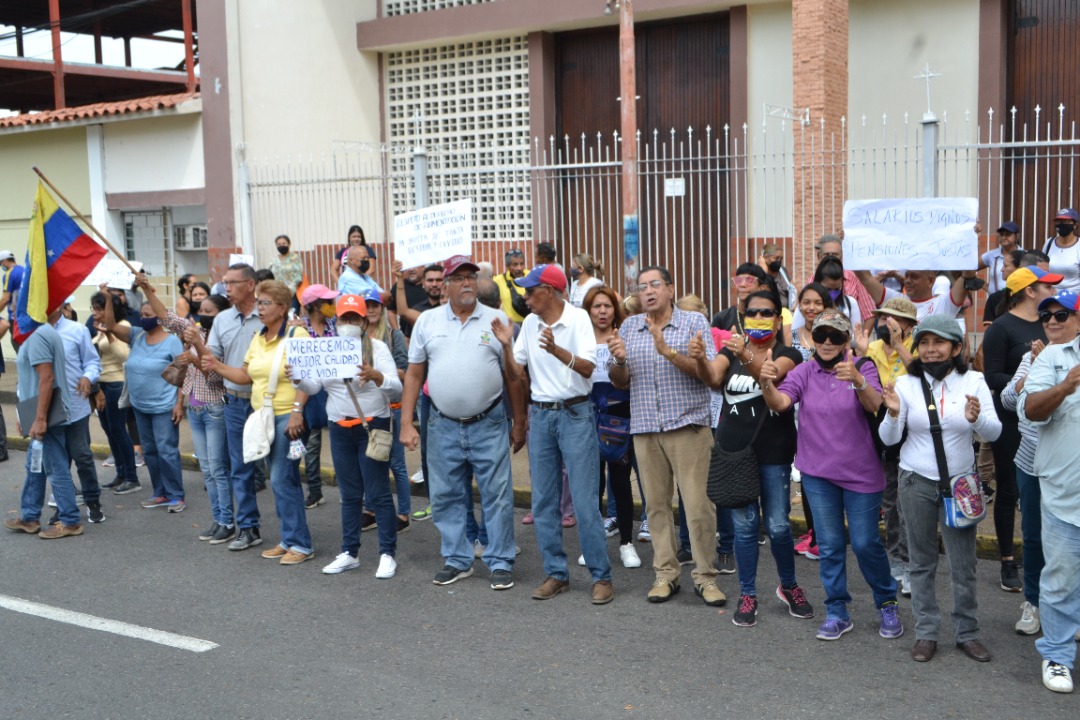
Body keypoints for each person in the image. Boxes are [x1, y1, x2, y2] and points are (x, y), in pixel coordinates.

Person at [760, 310, 901, 642]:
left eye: (835, 336)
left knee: (866, 544)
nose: (826, 342)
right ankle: (837, 610)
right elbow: (780, 402)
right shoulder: (805, 371)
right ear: (812, 337)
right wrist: (766, 383)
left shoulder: (863, 367)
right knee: (831, 545)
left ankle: (887, 602)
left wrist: (858, 380)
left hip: (862, 475)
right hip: (818, 476)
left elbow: (875, 406)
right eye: (820, 335)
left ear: (845, 341)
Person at [879, 314, 1001, 663]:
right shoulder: (905, 385)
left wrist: (977, 419)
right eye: (924, 344)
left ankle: (967, 632)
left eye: (939, 343)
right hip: (915, 480)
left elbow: (995, 433)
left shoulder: (974, 380)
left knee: (964, 564)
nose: (931, 350)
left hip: (961, 483)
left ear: (956, 347)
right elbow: (888, 440)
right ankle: (926, 632)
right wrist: (891, 415)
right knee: (921, 561)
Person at [401, 255, 526, 591]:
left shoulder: (498, 320)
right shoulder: (427, 322)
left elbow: (513, 378)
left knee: (497, 495)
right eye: (459, 278)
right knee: (444, 495)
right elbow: (414, 374)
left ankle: (499, 561)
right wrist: (406, 423)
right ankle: (457, 560)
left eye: (471, 276)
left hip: (489, 422)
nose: (467, 282)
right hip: (441, 424)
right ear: (446, 285)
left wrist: (520, 422)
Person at [492, 262, 614, 603]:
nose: (525, 297)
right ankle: (556, 574)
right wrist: (505, 344)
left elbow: (590, 367)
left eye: (531, 291)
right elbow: (516, 373)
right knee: (543, 501)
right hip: (542, 416)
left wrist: (556, 350)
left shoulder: (578, 319)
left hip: (576, 412)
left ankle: (601, 577)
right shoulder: (529, 324)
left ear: (550, 291)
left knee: (585, 500)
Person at [695, 289, 813, 627]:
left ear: (778, 319)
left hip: (774, 453)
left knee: (777, 526)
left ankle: (788, 586)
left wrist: (745, 352)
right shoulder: (729, 350)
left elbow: (770, 375)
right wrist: (701, 358)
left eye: (766, 313)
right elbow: (714, 378)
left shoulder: (788, 353)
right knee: (745, 528)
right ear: (743, 319)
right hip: (735, 452)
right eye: (752, 313)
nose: (758, 318)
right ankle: (748, 593)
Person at [608, 266, 725, 607]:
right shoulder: (630, 326)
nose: (647, 291)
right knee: (656, 508)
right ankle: (665, 575)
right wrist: (618, 361)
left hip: (688, 427)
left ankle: (705, 577)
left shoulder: (693, 323)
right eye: (641, 286)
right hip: (645, 429)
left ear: (670, 289)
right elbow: (620, 381)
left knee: (699, 508)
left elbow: (708, 377)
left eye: (655, 284)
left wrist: (670, 353)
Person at [292, 294, 401, 579]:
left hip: (372, 427)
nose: (349, 323)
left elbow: (397, 390)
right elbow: (313, 386)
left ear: (364, 322)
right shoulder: (326, 348)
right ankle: (349, 552)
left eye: (354, 318)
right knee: (349, 494)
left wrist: (377, 376)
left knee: (377, 494)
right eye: (344, 318)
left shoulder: (377, 348)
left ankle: (387, 553)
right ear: (335, 321)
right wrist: (297, 378)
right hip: (339, 427)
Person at [206, 280, 313, 565]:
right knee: (279, 481)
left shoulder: (297, 335)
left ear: (282, 307)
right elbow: (245, 376)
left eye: (265, 302)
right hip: (263, 418)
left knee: (282, 479)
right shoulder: (259, 337)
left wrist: (297, 411)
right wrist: (216, 366)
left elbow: (308, 377)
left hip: (287, 419)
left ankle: (300, 545)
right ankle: (288, 539)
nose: (259, 308)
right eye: (258, 302)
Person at [1001, 289, 1080, 637]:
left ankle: (1068, 609)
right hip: (1032, 461)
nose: (1051, 321)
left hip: (1071, 466)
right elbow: (1008, 400)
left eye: (1060, 316)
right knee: (1034, 537)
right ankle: (1033, 602)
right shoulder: (1035, 356)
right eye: (1046, 315)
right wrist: (1031, 375)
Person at [981, 265, 1061, 591]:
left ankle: (1041, 560)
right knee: (1010, 489)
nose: (1053, 292)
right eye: (1047, 286)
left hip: (1049, 422)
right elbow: (992, 378)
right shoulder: (1001, 328)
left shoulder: (1054, 324)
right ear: (1030, 290)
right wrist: (1026, 380)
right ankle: (1006, 561)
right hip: (1011, 421)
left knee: (1043, 495)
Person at [148, 280, 233, 543]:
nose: (202, 316)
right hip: (195, 411)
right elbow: (165, 317)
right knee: (206, 469)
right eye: (200, 311)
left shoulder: (223, 337)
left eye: (209, 312)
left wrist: (195, 355)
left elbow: (217, 377)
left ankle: (227, 522)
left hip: (215, 408)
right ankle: (217, 519)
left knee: (218, 470)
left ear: (221, 315)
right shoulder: (191, 330)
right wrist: (145, 289)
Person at [853, 296, 919, 596]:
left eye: (892, 319)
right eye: (881, 318)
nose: (885, 324)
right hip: (880, 431)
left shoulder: (919, 346)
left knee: (909, 503)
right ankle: (895, 559)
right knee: (890, 499)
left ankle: (912, 562)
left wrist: (900, 345)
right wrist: (860, 353)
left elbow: (923, 376)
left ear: (908, 325)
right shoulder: (873, 348)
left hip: (912, 434)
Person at [101, 285, 186, 513]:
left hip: (164, 406)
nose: (144, 318)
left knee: (166, 450)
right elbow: (110, 326)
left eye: (149, 315)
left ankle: (176, 495)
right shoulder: (137, 335)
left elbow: (182, 374)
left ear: (160, 318)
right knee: (149, 451)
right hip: (140, 405)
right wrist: (108, 299)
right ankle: (159, 493)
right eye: (142, 315)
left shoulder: (172, 342)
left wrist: (180, 403)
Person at [203, 263, 265, 551]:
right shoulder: (223, 320)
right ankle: (249, 528)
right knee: (240, 468)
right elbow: (212, 362)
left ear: (250, 284)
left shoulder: (269, 315)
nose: (226, 288)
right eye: (224, 283)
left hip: (267, 403)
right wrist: (196, 349)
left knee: (283, 468)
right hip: (234, 403)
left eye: (232, 282)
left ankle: (295, 535)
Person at [4, 321, 81, 538]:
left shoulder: (38, 335)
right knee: (34, 466)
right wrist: (25, 416)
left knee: (55, 468)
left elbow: (46, 378)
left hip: (45, 415)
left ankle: (70, 521)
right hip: (36, 412)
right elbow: (30, 380)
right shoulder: (39, 332)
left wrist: (39, 419)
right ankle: (30, 517)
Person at [583, 286, 640, 569]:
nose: (602, 311)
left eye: (607, 306)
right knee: (592, 485)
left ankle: (626, 544)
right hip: (586, 417)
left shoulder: (624, 337)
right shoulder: (578, 338)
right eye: (596, 306)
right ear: (588, 310)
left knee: (620, 483)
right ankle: (593, 543)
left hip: (619, 418)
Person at [358, 288, 411, 533]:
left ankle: (403, 513)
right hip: (363, 409)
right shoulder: (353, 338)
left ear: (381, 308)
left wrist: (379, 374)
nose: (370, 310)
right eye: (366, 306)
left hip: (392, 407)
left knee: (396, 463)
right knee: (370, 459)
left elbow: (405, 371)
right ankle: (370, 510)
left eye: (375, 305)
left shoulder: (392, 334)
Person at [53, 303, 104, 525]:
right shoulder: (32, 332)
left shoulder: (76, 330)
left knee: (82, 456)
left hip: (75, 405)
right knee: (57, 462)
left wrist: (88, 377)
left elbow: (92, 362)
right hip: (48, 408)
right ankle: (63, 506)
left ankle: (93, 501)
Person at [89, 291, 140, 495]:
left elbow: (124, 356)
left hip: (116, 383)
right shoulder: (99, 329)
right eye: (94, 308)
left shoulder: (123, 327)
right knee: (109, 430)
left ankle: (131, 477)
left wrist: (109, 334)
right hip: (101, 384)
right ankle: (120, 473)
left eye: (99, 309)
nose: (95, 312)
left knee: (118, 430)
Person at [296, 284, 341, 509]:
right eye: (328, 302)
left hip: (334, 390)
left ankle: (348, 489)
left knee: (340, 440)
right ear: (314, 306)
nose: (332, 306)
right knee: (309, 441)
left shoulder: (336, 325)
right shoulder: (298, 329)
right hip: (308, 392)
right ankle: (314, 490)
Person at [806, 235, 877, 323]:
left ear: (842, 256)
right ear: (819, 256)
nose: (830, 258)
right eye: (826, 255)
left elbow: (869, 315)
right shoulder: (810, 282)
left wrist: (861, 336)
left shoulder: (855, 280)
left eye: (835, 255)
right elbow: (797, 327)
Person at [1041, 208, 1080, 292]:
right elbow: (1042, 270)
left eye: (1065, 221)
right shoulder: (1049, 243)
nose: (1061, 224)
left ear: (1075, 225)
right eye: (1058, 221)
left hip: (1074, 299)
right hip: (1052, 298)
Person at [979, 221, 1024, 294]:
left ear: (1017, 236)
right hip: (995, 302)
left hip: (1017, 301)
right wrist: (983, 285)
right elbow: (971, 267)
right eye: (1001, 234)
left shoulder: (1024, 255)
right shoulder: (991, 255)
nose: (1003, 237)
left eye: (1007, 234)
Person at [385, 264, 427, 337]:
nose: (411, 269)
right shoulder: (398, 287)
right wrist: (398, 333)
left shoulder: (430, 287)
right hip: (407, 336)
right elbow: (391, 311)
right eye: (408, 266)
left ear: (423, 267)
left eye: (415, 265)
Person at [494, 248, 528, 323]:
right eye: (515, 265)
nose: (519, 268)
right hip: (510, 326)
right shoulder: (498, 281)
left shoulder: (531, 276)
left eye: (522, 264)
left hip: (530, 324)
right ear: (507, 266)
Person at [759, 243, 796, 309]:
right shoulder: (760, 273)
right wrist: (763, 268)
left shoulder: (783, 271)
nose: (779, 261)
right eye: (776, 258)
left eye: (781, 259)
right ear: (766, 257)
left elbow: (793, 288)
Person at [268, 234, 304, 299]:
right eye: (279, 244)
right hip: (277, 294)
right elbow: (270, 275)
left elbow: (298, 277)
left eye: (284, 243)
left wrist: (288, 291)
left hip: (293, 294)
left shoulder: (295, 258)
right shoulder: (274, 260)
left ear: (289, 244)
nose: (281, 246)